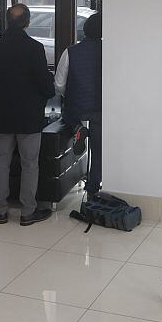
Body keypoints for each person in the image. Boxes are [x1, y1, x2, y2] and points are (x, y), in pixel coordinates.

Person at [0, 4, 56, 226]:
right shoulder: (35, 48)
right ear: (28, 22)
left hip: (2, 113)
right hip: (29, 116)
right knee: (30, 164)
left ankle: (0, 210)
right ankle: (27, 212)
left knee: (0, 162)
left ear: (6, 21)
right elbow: (45, 85)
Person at [56, 12, 103, 195]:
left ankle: (77, 129)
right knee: (99, 150)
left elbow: (59, 83)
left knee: (66, 111)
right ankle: (93, 187)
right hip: (101, 107)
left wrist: (68, 95)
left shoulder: (71, 51)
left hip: (77, 108)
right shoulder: (110, 50)